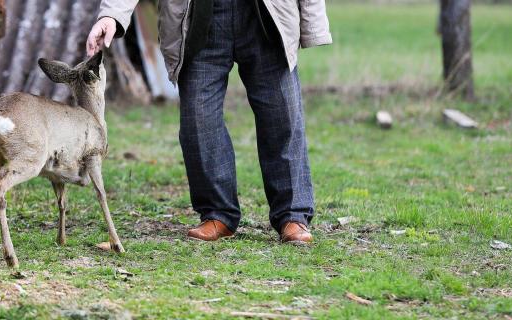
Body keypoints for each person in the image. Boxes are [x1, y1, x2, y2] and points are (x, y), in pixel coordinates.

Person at [86, 0, 331, 244]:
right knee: (198, 121)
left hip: (266, 15)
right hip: (198, 19)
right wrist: (111, 15)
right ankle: (217, 214)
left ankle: (292, 216)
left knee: (283, 118)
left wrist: (313, 24)